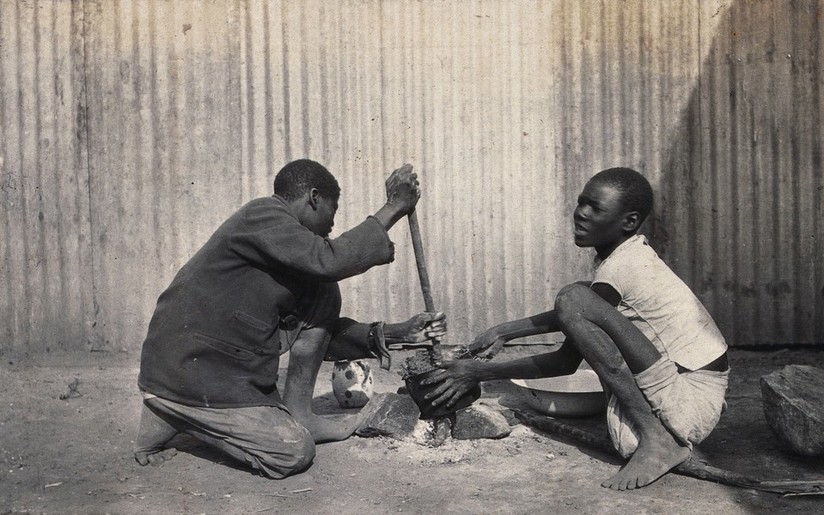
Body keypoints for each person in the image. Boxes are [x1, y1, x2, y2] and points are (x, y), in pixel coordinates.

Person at [134, 159, 447, 478]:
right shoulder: (263, 214)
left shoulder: (280, 247)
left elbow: (316, 334)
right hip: (189, 367)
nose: (332, 226)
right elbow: (330, 260)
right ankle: (181, 416)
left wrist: (399, 332)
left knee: (323, 291)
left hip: (216, 365)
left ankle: (298, 412)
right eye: (333, 211)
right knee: (292, 452)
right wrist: (395, 206)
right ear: (314, 198)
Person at [424, 167, 729, 490]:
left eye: (595, 208)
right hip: (688, 393)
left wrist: (475, 372)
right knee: (580, 294)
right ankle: (654, 433)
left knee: (574, 296)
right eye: (581, 202)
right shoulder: (626, 258)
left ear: (629, 222)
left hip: (689, 400)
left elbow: (563, 359)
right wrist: (503, 331)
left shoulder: (623, 267)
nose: (580, 214)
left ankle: (657, 438)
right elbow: (575, 322)